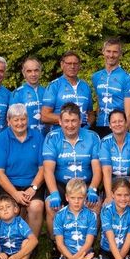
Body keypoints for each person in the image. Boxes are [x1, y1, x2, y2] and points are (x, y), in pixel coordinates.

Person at [42, 103, 102, 241]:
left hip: (85, 183)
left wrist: (93, 189)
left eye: (74, 120)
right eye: (66, 121)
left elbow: (97, 169)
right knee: (51, 205)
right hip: (61, 183)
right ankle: (56, 244)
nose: (70, 125)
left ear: (80, 121)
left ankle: (89, 244)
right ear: (60, 121)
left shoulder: (92, 137)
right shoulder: (52, 138)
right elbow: (48, 170)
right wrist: (54, 193)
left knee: (96, 204)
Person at [0, 104, 46, 235]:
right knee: (9, 208)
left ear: (28, 119)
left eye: (23, 119)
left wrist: (33, 188)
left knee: (36, 206)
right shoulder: (1, 139)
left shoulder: (38, 137)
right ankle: (11, 240)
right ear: (8, 121)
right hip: (9, 184)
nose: (20, 123)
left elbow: (43, 168)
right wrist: (15, 193)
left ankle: (31, 242)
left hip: (32, 183)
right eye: (16, 120)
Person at [52, 179, 99, 259]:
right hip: (66, 254)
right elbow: (59, 244)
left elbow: (88, 243)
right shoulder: (59, 215)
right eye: (73, 198)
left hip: (85, 253)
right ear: (67, 197)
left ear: (85, 197)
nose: (76, 201)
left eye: (80, 198)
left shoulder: (91, 215)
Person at [90, 37, 130, 138]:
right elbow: (99, 103)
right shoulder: (96, 76)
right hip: (100, 126)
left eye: (115, 52)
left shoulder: (127, 77)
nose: (111, 55)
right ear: (103, 52)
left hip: (118, 128)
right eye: (108, 51)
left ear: (120, 54)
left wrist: (121, 134)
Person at [98, 177, 130, 259]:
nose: (123, 198)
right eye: (119, 195)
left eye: (126, 195)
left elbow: (128, 241)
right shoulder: (106, 210)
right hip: (107, 250)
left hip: (124, 251)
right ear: (112, 194)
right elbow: (111, 240)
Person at [41, 51, 93, 129]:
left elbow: (91, 114)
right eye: (69, 63)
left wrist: (88, 125)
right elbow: (45, 116)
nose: (72, 66)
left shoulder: (85, 86)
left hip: (82, 133)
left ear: (79, 65)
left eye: (75, 63)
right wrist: (72, 119)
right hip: (61, 133)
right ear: (62, 65)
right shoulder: (54, 86)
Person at [99, 110, 130, 200]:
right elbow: (107, 171)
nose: (117, 124)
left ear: (126, 123)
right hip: (112, 182)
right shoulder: (104, 142)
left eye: (120, 121)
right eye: (114, 122)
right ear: (110, 125)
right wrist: (109, 196)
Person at [10, 56, 47, 135]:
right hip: (27, 138)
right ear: (24, 73)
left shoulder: (47, 91)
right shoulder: (17, 94)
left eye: (36, 70)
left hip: (45, 138)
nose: (33, 74)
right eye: (29, 71)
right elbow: (12, 121)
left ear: (40, 72)